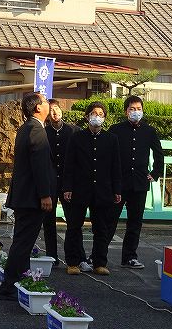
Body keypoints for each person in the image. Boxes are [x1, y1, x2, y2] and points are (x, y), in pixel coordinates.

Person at [0, 92, 53, 300]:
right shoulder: (36, 130)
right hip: (31, 197)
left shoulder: (26, 127)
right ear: (38, 107)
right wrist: (45, 194)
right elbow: (39, 166)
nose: (48, 104)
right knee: (23, 243)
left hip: (24, 196)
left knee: (23, 242)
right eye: (45, 101)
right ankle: (10, 285)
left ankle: (20, 281)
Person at [63, 101, 121, 276]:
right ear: (87, 116)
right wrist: (67, 187)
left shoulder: (111, 139)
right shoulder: (76, 137)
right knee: (74, 226)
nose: (97, 117)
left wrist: (117, 190)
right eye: (94, 113)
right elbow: (69, 164)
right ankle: (73, 262)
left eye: (101, 114)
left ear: (105, 118)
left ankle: (99, 263)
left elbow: (116, 167)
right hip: (80, 189)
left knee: (101, 228)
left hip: (103, 190)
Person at [108, 95, 163, 269]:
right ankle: (98, 255)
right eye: (132, 109)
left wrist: (155, 173)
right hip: (118, 183)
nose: (135, 112)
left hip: (139, 183)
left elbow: (159, 153)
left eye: (139, 109)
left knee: (135, 223)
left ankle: (129, 257)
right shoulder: (115, 129)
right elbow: (106, 153)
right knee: (110, 220)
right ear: (126, 111)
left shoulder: (149, 131)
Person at [43, 99, 84, 268]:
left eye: (57, 109)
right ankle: (51, 256)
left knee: (74, 221)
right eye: (51, 110)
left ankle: (77, 257)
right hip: (50, 182)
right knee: (48, 222)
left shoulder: (74, 130)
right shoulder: (43, 132)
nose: (55, 113)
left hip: (69, 183)